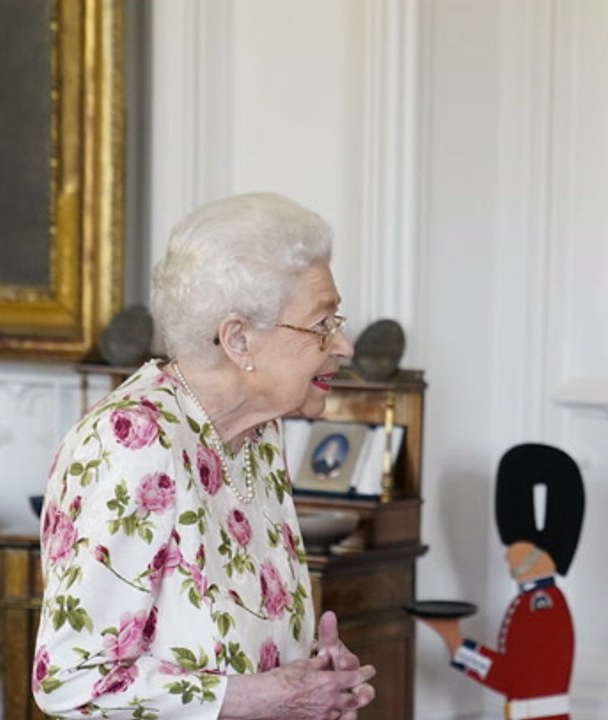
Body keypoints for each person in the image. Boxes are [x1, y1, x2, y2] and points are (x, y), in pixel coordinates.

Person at [33, 192, 377, 719]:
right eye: (323, 323)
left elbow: (228, 648)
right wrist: (274, 698)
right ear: (238, 340)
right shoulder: (132, 443)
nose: (344, 345)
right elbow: (70, 681)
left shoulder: (258, 435)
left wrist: (314, 680)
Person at [415, 443, 585, 720]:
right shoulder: (530, 601)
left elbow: (513, 677)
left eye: (516, 548)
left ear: (538, 555)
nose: (508, 556)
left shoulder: (541, 605)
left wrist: (457, 645)